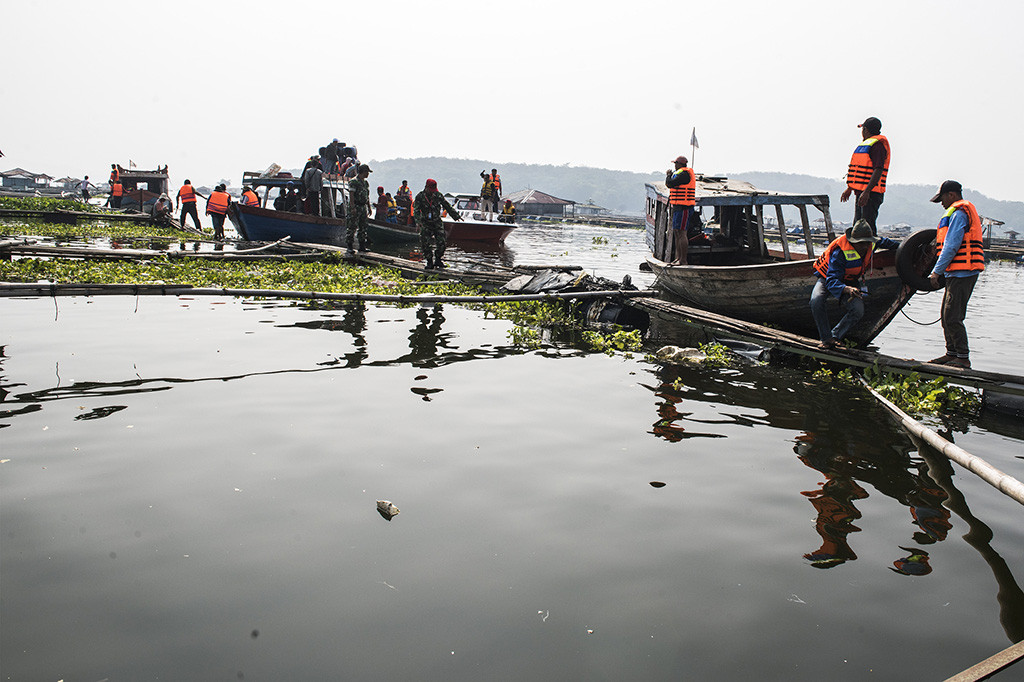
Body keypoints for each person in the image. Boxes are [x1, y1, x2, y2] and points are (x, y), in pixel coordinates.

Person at [809, 219, 900, 349]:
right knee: (816, 300)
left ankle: (835, 336)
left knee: (858, 310)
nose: (864, 247)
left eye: (866, 243)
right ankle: (826, 339)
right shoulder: (839, 252)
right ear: (853, 242)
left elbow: (891, 244)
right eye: (860, 243)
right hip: (828, 279)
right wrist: (846, 289)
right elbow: (832, 280)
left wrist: (908, 247)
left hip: (850, 280)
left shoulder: (872, 244)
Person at [926, 180, 985, 369]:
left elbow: (951, 246)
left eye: (942, 198)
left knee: (952, 316)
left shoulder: (959, 213)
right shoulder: (955, 212)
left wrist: (936, 272)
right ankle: (951, 353)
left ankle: (962, 357)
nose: (941, 203)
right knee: (945, 315)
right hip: (956, 273)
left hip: (964, 272)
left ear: (951, 195)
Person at [840, 117, 890, 235]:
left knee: (867, 228)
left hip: (871, 194)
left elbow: (878, 170)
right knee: (858, 227)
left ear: (865, 129)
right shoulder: (867, 145)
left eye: (862, 129)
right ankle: (862, 252)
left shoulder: (877, 146)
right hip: (861, 193)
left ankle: (871, 252)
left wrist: (867, 192)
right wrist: (850, 188)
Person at [414, 178, 462, 269]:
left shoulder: (438, 195)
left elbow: (447, 206)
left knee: (442, 242)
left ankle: (438, 260)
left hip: (437, 222)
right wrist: (418, 222)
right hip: (425, 222)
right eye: (431, 190)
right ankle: (429, 261)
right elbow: (416, 210)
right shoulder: (420, 196)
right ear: (426, 187)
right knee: (425, 243)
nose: (432, 192)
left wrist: (456, 216)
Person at [665, 155, 696, 264]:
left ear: (680, 164)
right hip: (678, 207)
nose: (674, 166)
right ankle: (678, 258)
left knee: (682, 233)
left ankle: (683, 260)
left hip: (684, 207)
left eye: (675, 163)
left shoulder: (684, 174)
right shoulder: (679, 173)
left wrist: (668, 175)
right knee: (677, 232)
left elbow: (669, 184)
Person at [346, 164, 373, 253]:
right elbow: (351, 195)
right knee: (352, 226)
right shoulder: (354, 181)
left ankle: (362, 246)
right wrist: (353, 207)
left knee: (363, 226)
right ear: (363, 172)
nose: (368, 174)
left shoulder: (365, 183)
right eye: (367, 172)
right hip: (356, 206)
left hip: (363, 206)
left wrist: (369, 207)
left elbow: (367, 196)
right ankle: (349, 246)